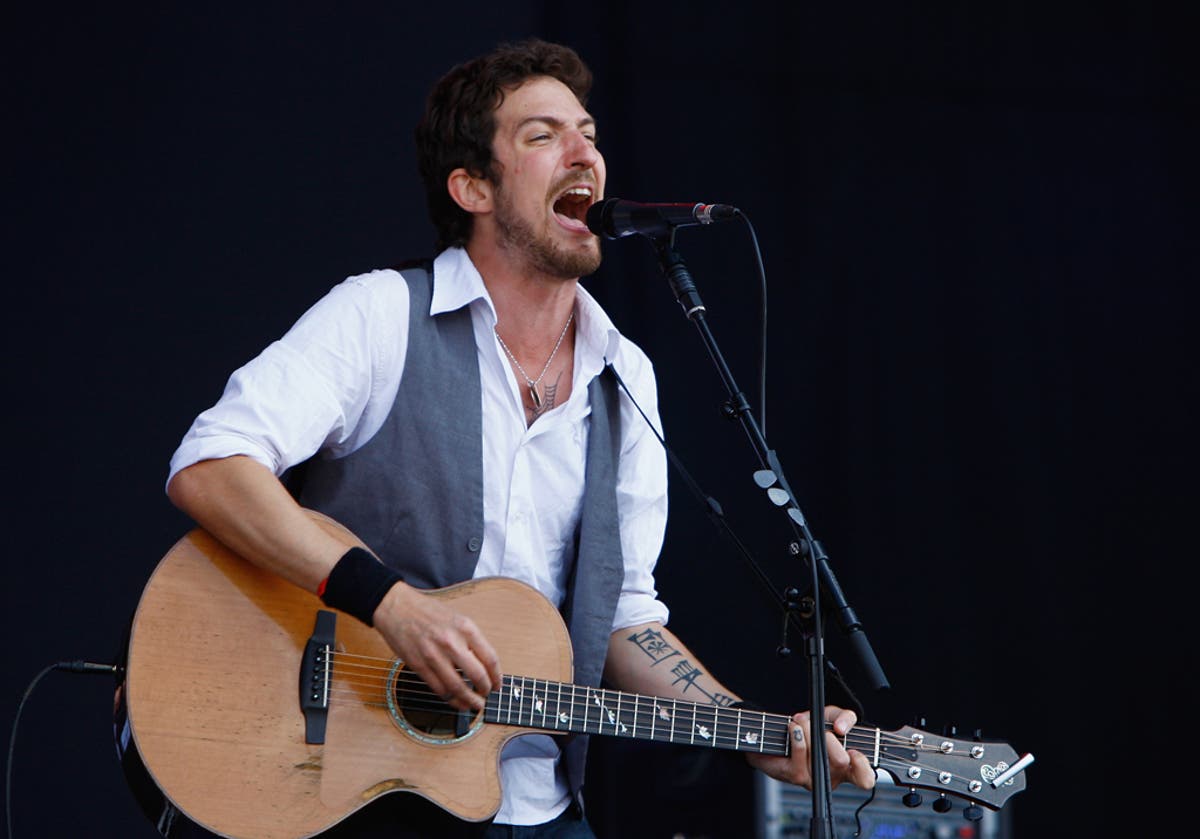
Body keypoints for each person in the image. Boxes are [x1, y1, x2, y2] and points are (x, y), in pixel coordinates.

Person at [162, 38, 875, 838]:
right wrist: (388, 604)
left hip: (535, 806)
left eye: (590, 133)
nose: (585, 153)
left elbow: (622, 617)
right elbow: (212, 465)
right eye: (543, 136)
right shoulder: (380, 316)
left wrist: (756, 731)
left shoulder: (624, 376)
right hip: (354, 789)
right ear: (471, 186)